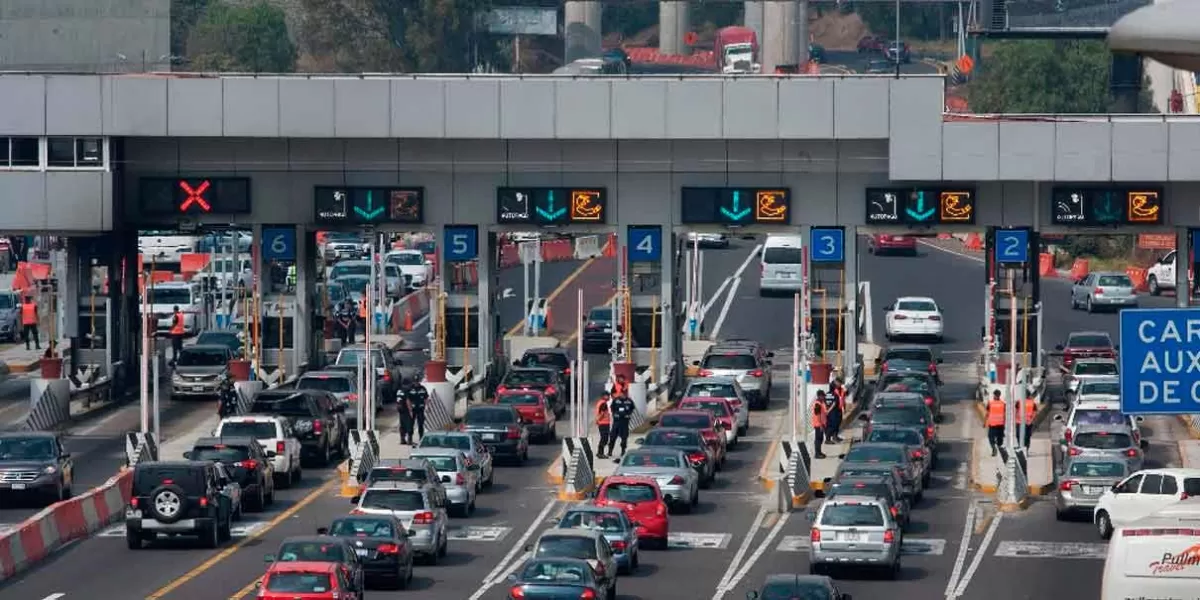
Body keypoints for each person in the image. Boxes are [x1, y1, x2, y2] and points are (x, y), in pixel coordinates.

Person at [608, 392, 636, 460]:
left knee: (624, 438)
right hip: (617, 422)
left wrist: (629, 414)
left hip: (625, 422)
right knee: (612, 437)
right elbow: (612, 408)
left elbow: (632, 408)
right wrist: (614, 414)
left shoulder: (629, 401)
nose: (623, 395)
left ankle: (623, 451)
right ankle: (610, 451)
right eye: (622, 394)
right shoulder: (616, 400)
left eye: (624, 394)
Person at [986, 389, 1009, 463]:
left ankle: (993, 448)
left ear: (994, 395)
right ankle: (999, 449)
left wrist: (985, 422)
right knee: (1000, 438)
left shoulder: (990, 403)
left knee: (990, 437)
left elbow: (987, 413)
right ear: (999, 395)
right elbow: (1005, 414)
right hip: (1001, 424)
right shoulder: (1003, 404)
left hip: (992, 424)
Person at [594, 393, 613, 459]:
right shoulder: (603, 404)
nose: (609, 397)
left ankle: (600, 452)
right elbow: (602, 413)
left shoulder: (600, 402)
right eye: (608, 396)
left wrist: (597, 420)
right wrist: (598, 420)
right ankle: (600, 453)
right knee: (604, 439)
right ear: (604, 396)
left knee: (603, 438)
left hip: (602, 423)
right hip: (604, 423)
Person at [812, 391, 829, 459]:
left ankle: (819, 452)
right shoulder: (817, 404)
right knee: (818, 439)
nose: (824, 397)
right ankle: (817, 454)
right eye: (823, 396)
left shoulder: (821, 403)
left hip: (821, 424)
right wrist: (821, 425)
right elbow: (817, 416)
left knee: (820, 439)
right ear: (819, 396)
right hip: (818, 424)